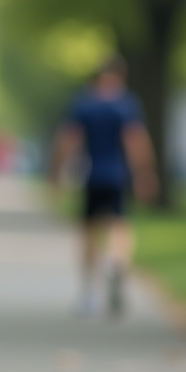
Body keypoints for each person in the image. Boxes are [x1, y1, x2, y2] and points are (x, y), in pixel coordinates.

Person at [49, 55, 158, 316]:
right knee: (119, 225)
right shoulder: (126, 104)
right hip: (118, 176)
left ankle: (88, 292)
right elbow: (135, 140)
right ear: (121, 76)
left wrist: (56, 171)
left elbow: (69, 138)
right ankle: (117, 265)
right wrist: (145, 173)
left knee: (89, 230)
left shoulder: (85, 103)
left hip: (93, 175)